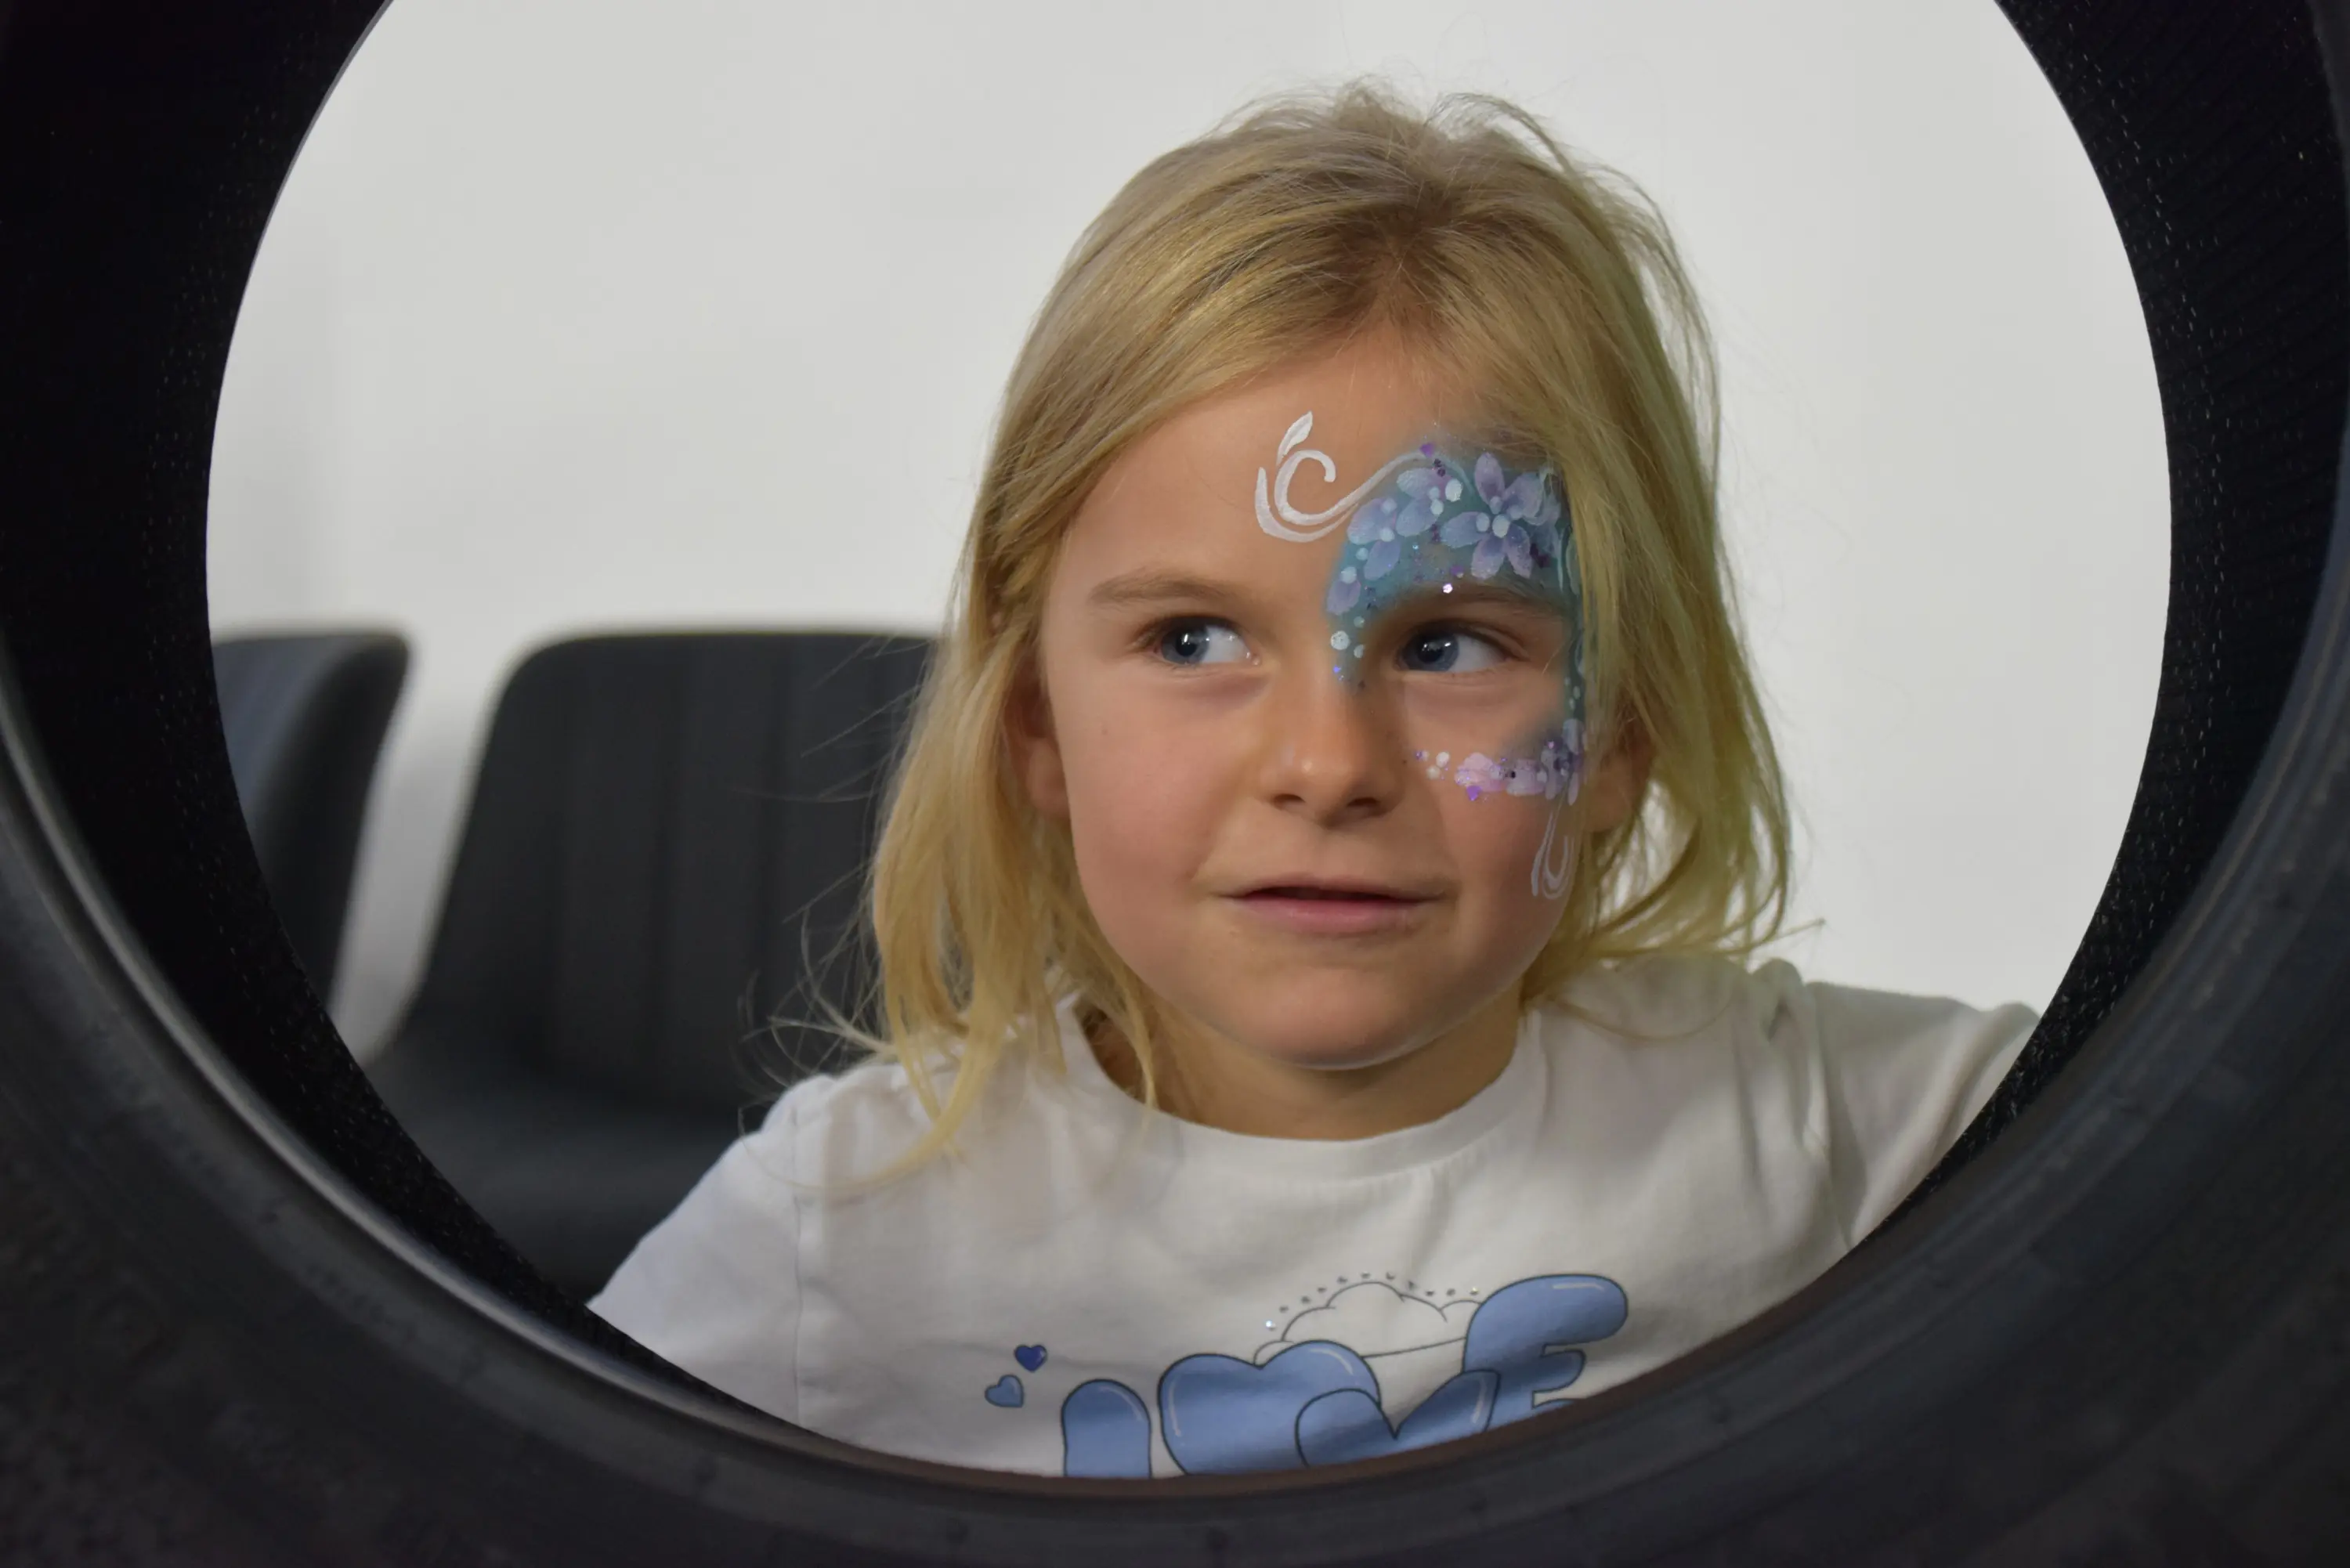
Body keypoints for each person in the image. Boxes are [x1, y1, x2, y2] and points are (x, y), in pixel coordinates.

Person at [589, 81, 2035, 1479]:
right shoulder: (834, 1239)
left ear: (1621, 729)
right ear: (1033, 721)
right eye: (1194, 639)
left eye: (1449, 644)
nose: (1330, 767)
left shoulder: (1824, 1133)